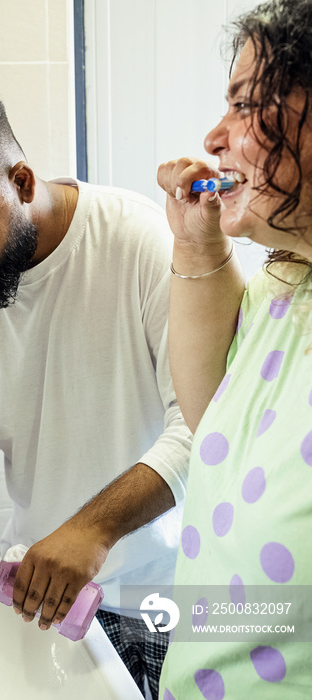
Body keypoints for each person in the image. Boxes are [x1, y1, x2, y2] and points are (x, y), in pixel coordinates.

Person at [0, 72, 192, 698]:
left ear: (19, 181)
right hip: (45, 596)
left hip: (165, 598)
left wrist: (92, 530)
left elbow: (200, 428)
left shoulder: (138, 243)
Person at [157, 0, 312, 697]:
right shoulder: (284, 286)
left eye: (248, 105)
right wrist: (196, 237)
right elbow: (208, 412)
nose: (215, 138)